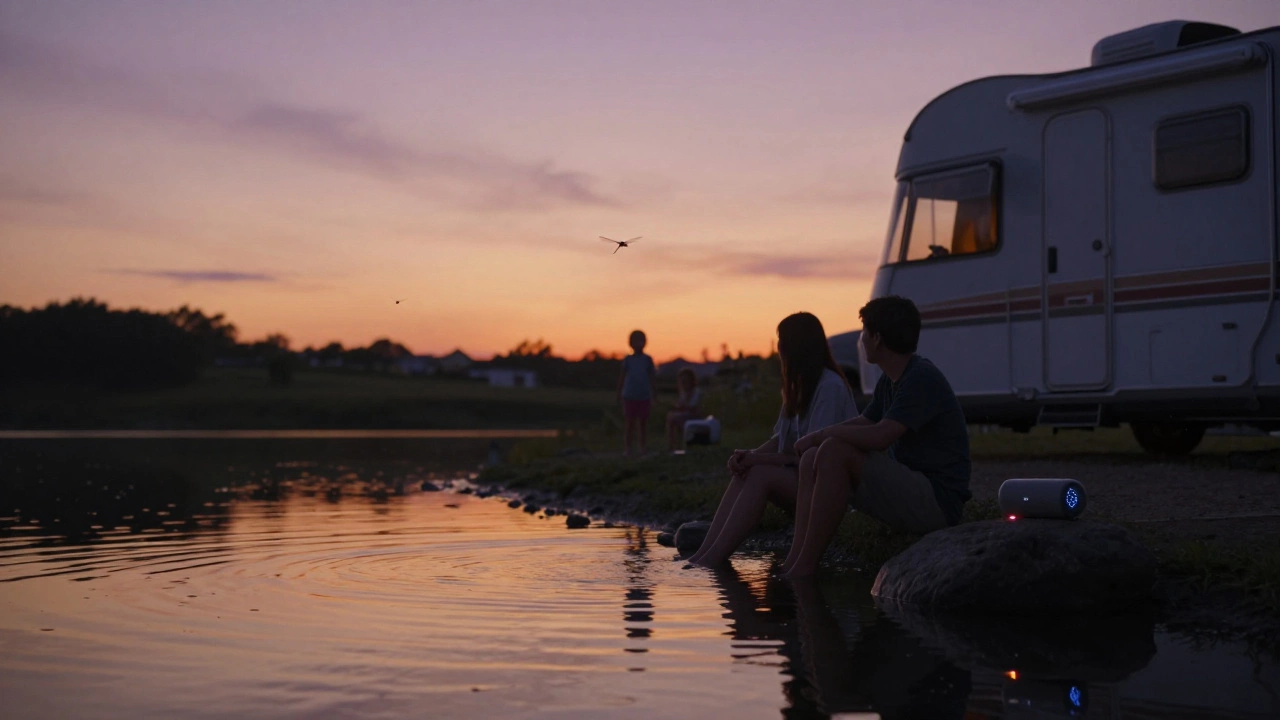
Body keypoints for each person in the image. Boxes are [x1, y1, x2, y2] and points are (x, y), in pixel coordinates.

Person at [780, 295, 971, 579]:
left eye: (864, 333)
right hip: (910, 488)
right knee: (811, 457)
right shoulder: (891, 379)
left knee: (833, 450)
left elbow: (881, 436)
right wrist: (815, 441)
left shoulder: (921, 378)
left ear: (877, 338)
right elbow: (864, 420)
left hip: (936, 502)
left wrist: (821, 435)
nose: (862, 339)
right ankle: (794, 563)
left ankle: (804, 569)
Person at [688, 312, 858, 567]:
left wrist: (757, 459)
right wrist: (749, 455)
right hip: (804, 479)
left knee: (760, 474)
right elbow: (782, 440)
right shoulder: (798, 384)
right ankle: (703, 554)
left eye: (782, 341)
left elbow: (812, 453)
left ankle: (713, 558)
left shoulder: (829, 386)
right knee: (747, 470)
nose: (778, 347)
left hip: (828, 489)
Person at [618, 329, 657, 456]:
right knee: (629, 423)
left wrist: (654, 394)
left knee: (643, 424)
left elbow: (652, 377)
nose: (639, 343)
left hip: (644, 396)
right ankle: (628, 448)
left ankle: (642, 447)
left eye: (641, 340)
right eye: (636, 341)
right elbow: (622, 377)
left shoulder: (648, 359)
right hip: (629, 395)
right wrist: (619, 393)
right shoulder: (628, 360)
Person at [665, 367, 702, 452]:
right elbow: (681, 406)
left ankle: (674, 447)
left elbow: (693, 408)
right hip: (685, 415)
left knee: (673, 419)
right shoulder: (684, 393)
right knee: (671, 417)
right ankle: (675, 447)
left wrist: (679, 408)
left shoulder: (696, 392)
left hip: (693, 417)